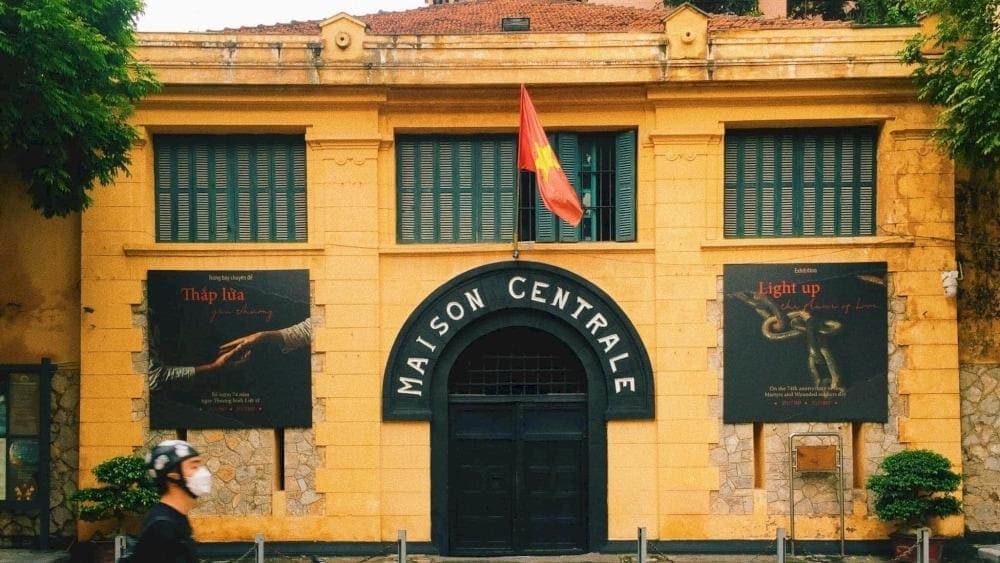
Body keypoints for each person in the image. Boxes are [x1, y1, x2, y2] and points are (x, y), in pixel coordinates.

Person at [130, 440, 211, 563]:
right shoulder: (162, 526)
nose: (203, 472)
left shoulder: (175, 517)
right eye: (194, 466)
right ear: (173, 475)